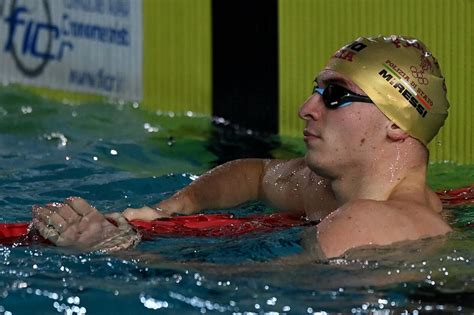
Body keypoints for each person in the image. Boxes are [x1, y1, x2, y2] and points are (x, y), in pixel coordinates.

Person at [32, 35, 452, 258]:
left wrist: (116, 249)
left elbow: (248, 290)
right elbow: (253, 173)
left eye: (336, 96)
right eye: (316, 90)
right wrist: (170, 210)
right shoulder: (329, 191)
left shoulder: (366, 224)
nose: (306, 108)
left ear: (397, 124)